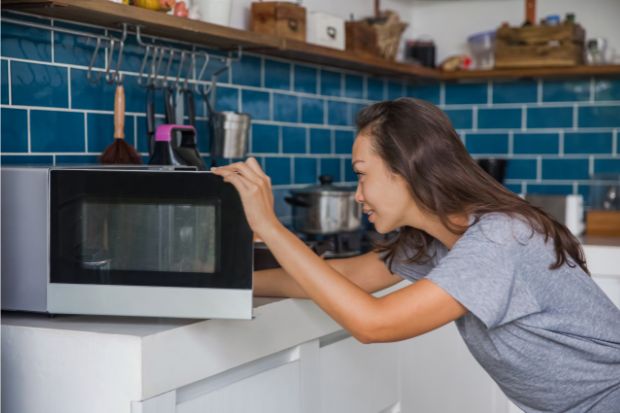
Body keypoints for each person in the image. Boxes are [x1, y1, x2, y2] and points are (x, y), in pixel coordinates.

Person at [211, 98, 620, 413]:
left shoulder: (498, 239)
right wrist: (227, 284)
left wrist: (270, 227)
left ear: (404, 169)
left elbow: (375, 324)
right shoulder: (437, 236)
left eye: (360, 174)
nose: (357, 194)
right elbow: (351, 276)